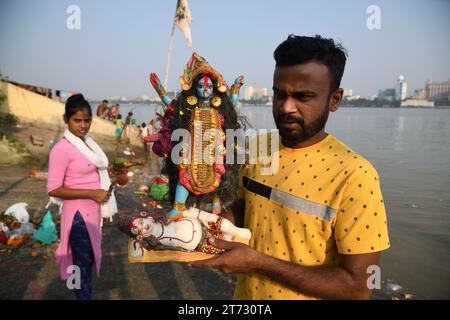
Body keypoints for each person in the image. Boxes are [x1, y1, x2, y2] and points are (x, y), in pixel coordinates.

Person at [191, 35, 390, 300]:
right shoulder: (260, 146)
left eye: (303, 96)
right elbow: (244, 205)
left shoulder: (355, 175)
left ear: (335, 99)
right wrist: (210, 226)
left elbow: (358, 288)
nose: (286, 107)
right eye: (279, 94)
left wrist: (257, 262)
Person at [149, 52, 244, 224]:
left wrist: (236, 87)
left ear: (214, 89)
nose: (205, 90)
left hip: (213, 150)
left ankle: (216, 206)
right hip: (191, 150)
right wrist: (159, 89)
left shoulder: (220, 109)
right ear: (195, 88)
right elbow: (171, 106)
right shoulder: (188, 108)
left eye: (208, 87)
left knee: (216, 177)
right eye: (200, 86)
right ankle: (177, 207)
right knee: (184, 177)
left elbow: (232, 102)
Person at [47, 94, 117, 300]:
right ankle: (82, 297)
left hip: (93, 213)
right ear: (65, 119)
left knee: (87, 261)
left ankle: (83, 295)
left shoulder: (88, 144)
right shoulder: (61, 149)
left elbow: (95, 175)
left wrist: (114, 178)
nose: (83, 125)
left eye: (87, 120)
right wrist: (91, 193)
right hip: (77, 216)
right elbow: (53, 189)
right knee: (81, 264)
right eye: (77, 120)